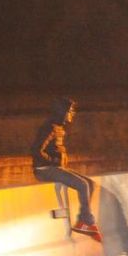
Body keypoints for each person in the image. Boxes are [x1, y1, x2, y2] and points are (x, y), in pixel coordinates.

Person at [31, 97, 102, 242]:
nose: (72, 114)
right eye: (70, 111)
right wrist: (53, 161)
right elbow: (36, 150)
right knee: (82, 185)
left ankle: (83, 220)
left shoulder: (58, 127)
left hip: (54, 167)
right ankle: (87, 222)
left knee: (90, 184)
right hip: (45, 169)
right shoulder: (49, 128)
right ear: (61, 112)